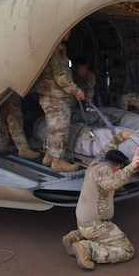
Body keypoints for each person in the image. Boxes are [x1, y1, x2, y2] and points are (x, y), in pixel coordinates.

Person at [62, 130, 139, 270]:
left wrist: (119, 138)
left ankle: (75, 236)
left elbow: (106, 149)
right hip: (95, 226)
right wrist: (131, 168)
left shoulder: (95, 164)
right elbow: (109, 183)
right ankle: (87, 249)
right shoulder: (104, 172)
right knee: (127, 250)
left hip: (82, 222)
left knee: (93, 229)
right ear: (118, 168)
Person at [34, 30, 86, 172]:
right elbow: (61, 76)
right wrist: (77, 91)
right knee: (60, 129)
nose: (70, 32)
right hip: (56, 96)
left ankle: (48, 156)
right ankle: (57, 162)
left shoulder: (51, 45)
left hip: (48, 94)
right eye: (68, 29)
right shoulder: (56, 48)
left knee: (53, 127)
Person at [0, 93, 41, 159]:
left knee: (1, 116)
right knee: (14, 118)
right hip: (9, 90)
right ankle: (23, 148)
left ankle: (2, 144)